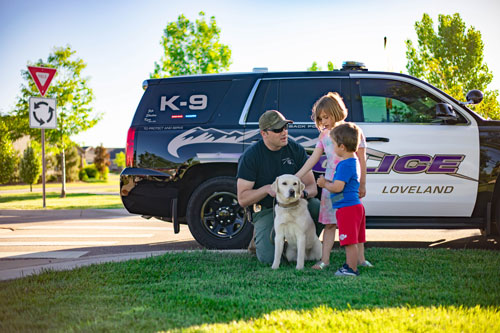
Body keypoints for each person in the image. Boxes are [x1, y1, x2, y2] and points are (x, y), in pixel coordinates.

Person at [295, 92, 370, 270]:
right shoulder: (324, 136)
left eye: (326, 117)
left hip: (349, 187)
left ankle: (360, 259)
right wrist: (297, 176)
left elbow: (362, 160)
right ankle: (324, 260)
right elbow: (313, 158)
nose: (324, 123)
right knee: (329, 224)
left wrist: (363, 183)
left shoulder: (353, 132)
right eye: (321, 120)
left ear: (336, 112)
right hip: (329, 185)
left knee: (354, 225)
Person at [237, 110, 322, 264]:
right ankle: (262, 235)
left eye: (285, 127)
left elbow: (312, 187)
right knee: (268, 259)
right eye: (277, 130)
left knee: (316, 206)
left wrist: (300, 195)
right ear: (264, 134)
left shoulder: (295, 149)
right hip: (267, 210)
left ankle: (303, 244)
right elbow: (242, 199)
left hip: (296, 206)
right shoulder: (251, 156)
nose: (284, 132)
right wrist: (266, 189)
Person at [317, 122, 368, 276]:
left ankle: (350, 268)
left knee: (349, 241)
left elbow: (338, 187)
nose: (331, 148)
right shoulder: (353, 161)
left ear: (342, 147)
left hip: (348, 209)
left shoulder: (345, 164)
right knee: (352, 239)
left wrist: (324, 184)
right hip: (353, 207)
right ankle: (352, 265)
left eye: (333, 144)